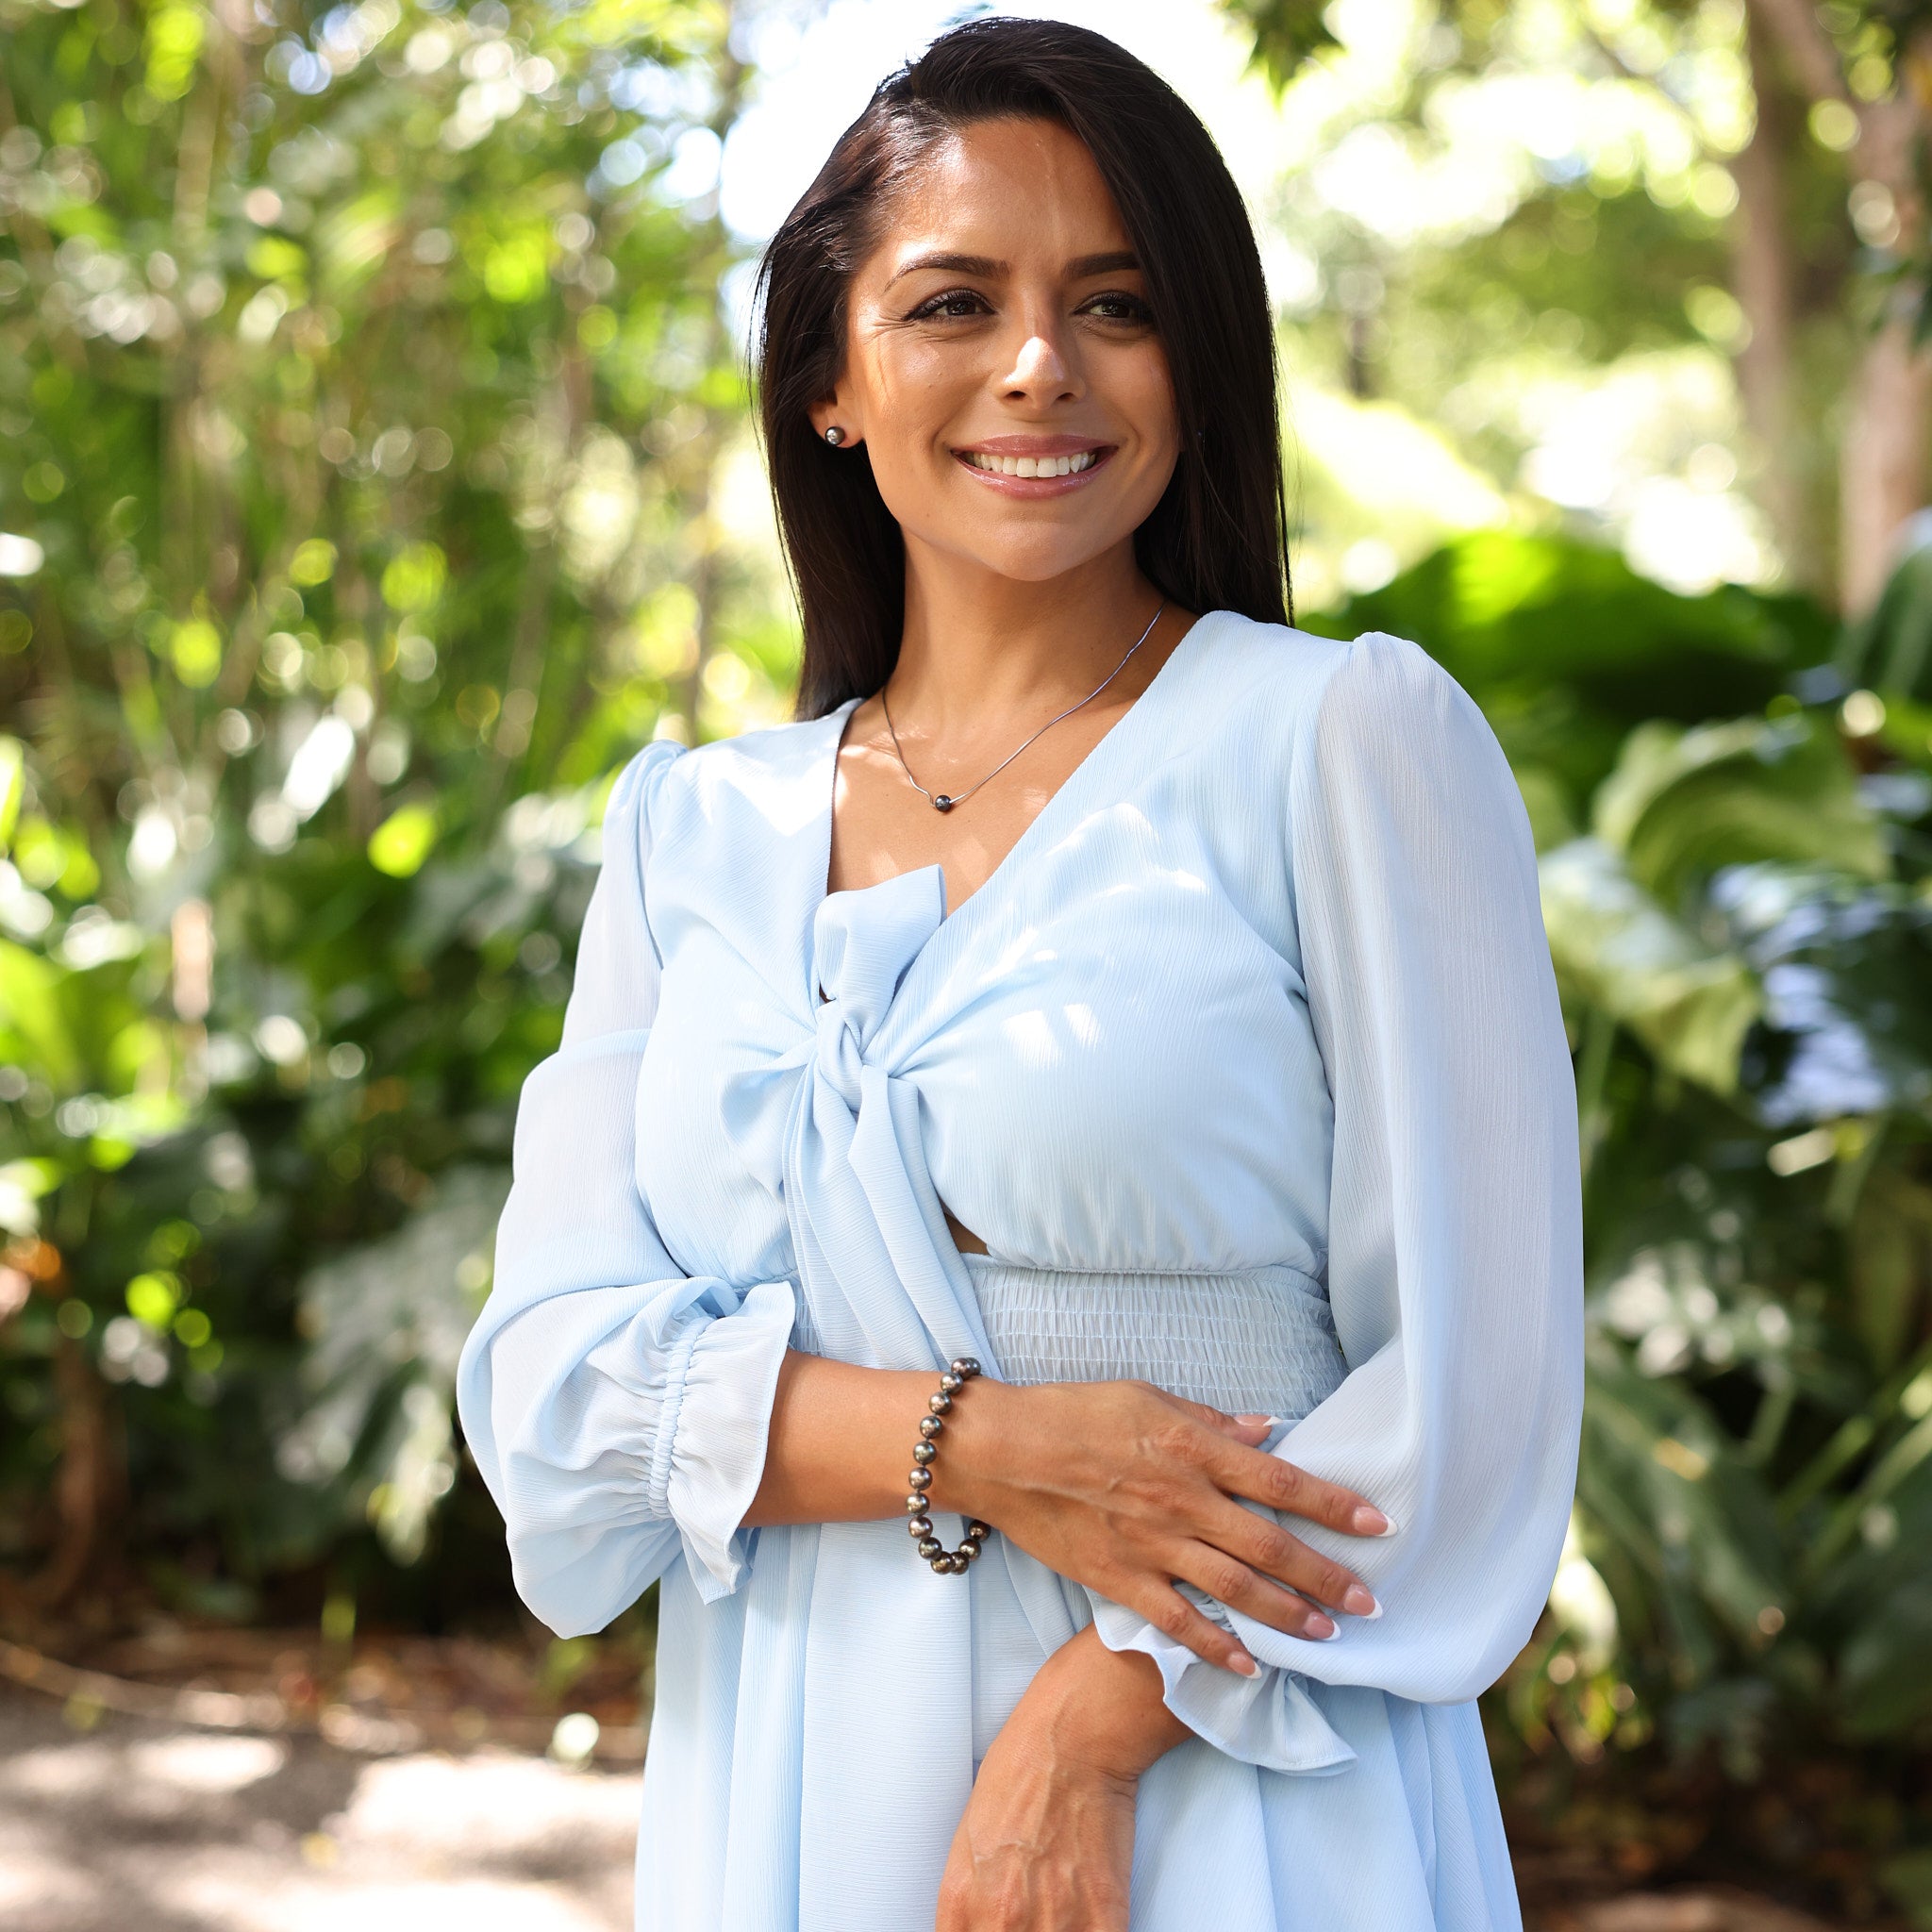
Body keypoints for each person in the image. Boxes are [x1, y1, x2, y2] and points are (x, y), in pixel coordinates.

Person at [456, 19, 1583, 1931]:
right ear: (828, 377)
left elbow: (1469, 1390)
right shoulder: (687, 833)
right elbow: (553, 1394)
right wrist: (989, 1444)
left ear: (1196, 365)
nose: (1037, 365)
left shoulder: (1338, 741)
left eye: (1115, 304)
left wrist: (1093, 1723)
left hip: (1233, 1772)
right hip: (794, 1769)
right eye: (953, 302)